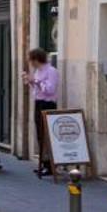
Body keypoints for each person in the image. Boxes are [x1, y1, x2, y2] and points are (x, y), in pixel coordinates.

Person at [28, 49, 61, 178]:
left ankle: (50, 165)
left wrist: (36, 82)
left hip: (48, 104)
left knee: (47, 135)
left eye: (31, 59)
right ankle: (44, 163)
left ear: (36, 59)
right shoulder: (38, 71)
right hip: (38, 103)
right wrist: (32, 83)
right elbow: (38, 90)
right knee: (40, 135)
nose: (30, 62)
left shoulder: (51, 71)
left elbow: (50, 89)